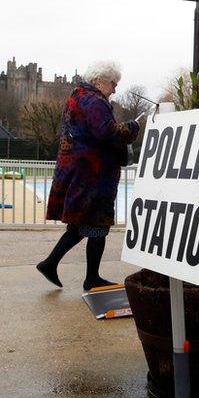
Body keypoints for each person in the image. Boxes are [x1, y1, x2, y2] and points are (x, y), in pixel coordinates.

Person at [38, 62, 140, 291]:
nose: (114, 89)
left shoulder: (77, 96)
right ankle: (91, 278)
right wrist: (132, 128)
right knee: (97, 225)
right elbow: (108, 133)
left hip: (79, 172)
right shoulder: (94, 101)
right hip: (93, 175)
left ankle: (49, 263)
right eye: (113, 83)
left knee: (79, 224)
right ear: (98, 80)